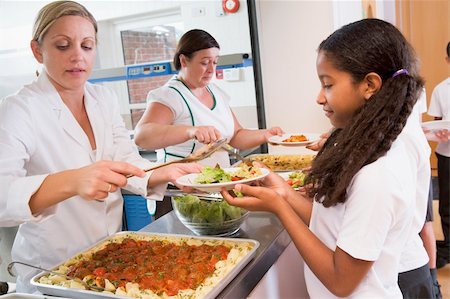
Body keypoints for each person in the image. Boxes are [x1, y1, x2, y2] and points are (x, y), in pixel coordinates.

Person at [0, 1, 201, 293]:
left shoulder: (103, 99)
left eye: (86, 45)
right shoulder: (19, 109)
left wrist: (165, 172)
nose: (77, 57)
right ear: (37, 50)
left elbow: (125, 159)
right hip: (51, 269)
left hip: (109, 258)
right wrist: (72, 180)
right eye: (62, 45)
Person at [223, 19, 426, 298]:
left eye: (328, 84)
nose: (319, 98)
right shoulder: (365, 152)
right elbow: (330, 224)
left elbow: (341, 281)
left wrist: (279, 209)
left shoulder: (378, 175)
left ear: (369, 85)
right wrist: (281, 193)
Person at [134, 29, 283, 168]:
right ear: (184, 60)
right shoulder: (170, 95)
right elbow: (142, 136)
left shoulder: (216, 92)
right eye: (205, 63)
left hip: (216, 185)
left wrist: (265, 134)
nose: (211, 69)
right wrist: (190, 131)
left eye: (215, 62)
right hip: (181, 188)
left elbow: (236, 135)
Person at [428, 41, 450, 269]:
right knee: (446, 205)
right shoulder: (441, 89)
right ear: (447, 61)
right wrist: (440, 132)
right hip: (447, 155)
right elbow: (436, 125)